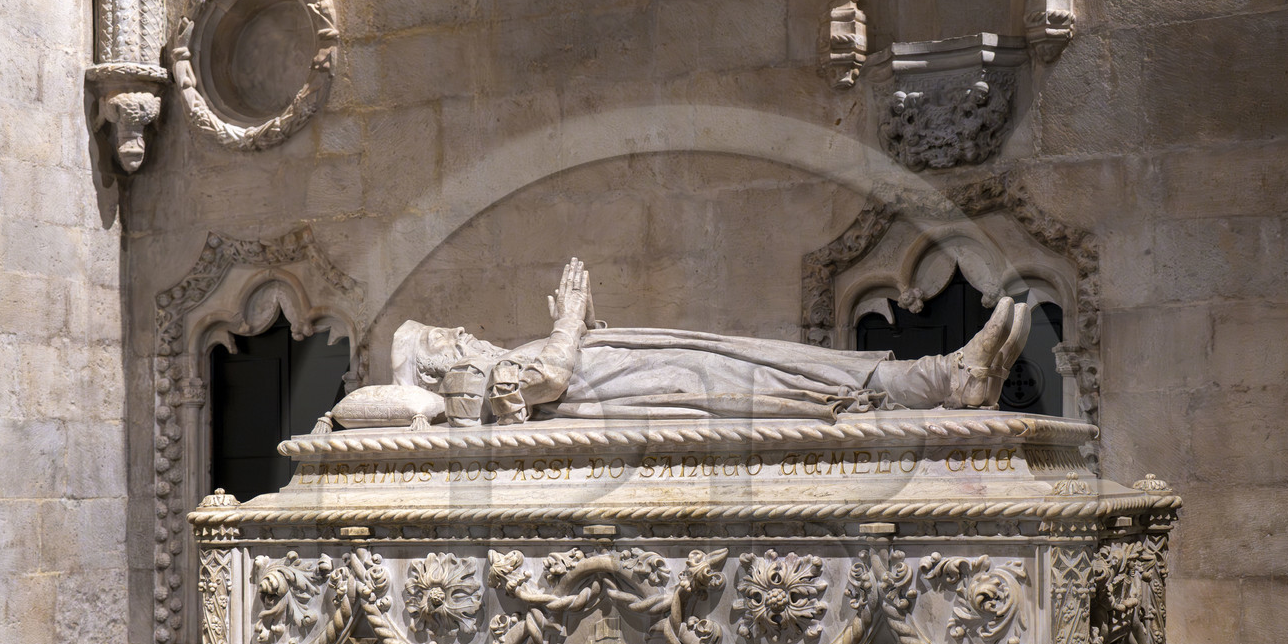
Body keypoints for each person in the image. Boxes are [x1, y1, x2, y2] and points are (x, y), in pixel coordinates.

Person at [335, 258, 1031, 429]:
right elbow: (547, 381)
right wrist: (570, 320)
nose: (464, 334)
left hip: (628, 367)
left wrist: (584, 326)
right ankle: (947, 378)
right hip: (635, 389)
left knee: (776, 363)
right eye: (448, 338)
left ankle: (950, 375)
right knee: (779, 382)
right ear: (437, 364)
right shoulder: (476, 384)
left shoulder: (492, 367)